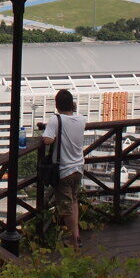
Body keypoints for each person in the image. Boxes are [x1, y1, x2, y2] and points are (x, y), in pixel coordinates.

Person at [42, 88, 86, 248]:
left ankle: (74, 240)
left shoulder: (56, 120)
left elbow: (47, 140)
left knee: (65, 208)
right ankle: (77, 237)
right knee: (74, 201)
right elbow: (72, 112)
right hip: (78, 168)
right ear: (72, 105)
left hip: (64, 170)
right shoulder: (81, 119)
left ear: (56, 105)